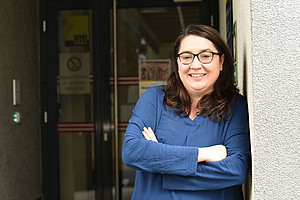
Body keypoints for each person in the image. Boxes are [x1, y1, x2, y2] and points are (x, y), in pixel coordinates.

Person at [122, 24, 251, 200]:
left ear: (221, 62)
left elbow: (235, 170)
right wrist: (203, 154)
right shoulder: (154, 99)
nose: (195, 65)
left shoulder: (235, 106)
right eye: (186, 57)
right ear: (177, 62)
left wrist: (161, 164)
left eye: (206, 56)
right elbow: (132, 152)